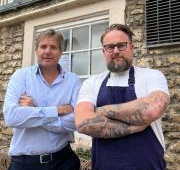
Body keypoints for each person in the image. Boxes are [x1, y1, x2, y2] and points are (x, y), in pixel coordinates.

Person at [75, 24, 170, 170]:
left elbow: (152, 110)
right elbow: (82, 123)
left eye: (121, 45)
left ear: (131, 47)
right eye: (110, 47)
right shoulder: (92, 83)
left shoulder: (152, 76)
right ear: (103, 51)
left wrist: (100, 111)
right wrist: (135, 127)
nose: (116, 51)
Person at [3, 29, 81, 170]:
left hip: (63, 161)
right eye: (43, 46)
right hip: (25, 164)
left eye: (53, 47)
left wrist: (33, 111)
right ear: (36, 50)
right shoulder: (21, 77)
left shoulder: (73, 80)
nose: (47, 51)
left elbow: (76, 121)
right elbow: (11, 117)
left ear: (61, 51)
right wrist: (56, 111)